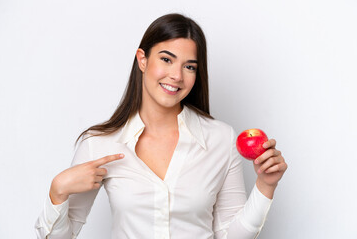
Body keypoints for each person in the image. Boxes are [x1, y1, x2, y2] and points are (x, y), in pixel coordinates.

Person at [35, 13, 287, 239]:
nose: (177, 75)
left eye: (189, 66)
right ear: (142, 60)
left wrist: (266, 185)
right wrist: (57, 191)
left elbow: (230, 236)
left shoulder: (220, 138)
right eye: (167, 59)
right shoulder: (100, 143)